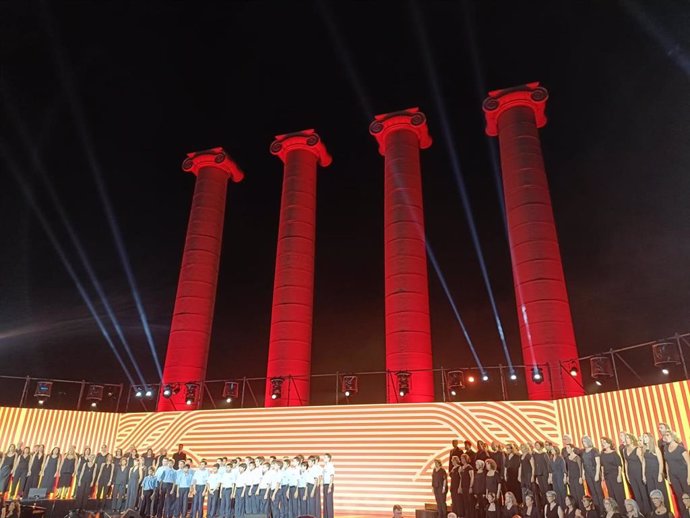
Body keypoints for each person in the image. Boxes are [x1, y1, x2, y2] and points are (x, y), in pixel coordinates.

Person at [621, 434, 650, 515]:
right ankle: (640, 512)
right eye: (625, 438)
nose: (626, 440)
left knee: (643, 492)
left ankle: (647, 512)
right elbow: (626, 463)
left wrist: (643, 474)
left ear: (632, 439)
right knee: (636, 494)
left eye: (628, 438)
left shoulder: (637, 449)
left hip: (639, 472)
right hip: (631, 474)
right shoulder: (624, 450)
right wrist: (627, 475)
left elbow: (642, 462)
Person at [662, 430, 690, 513]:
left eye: (668, 435)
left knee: (688, 494)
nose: (666, 437)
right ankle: (684, 514)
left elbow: (689, 463)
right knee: (679, 495)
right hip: (673, 476)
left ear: (673, 436)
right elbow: (666, 463)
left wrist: (689, 477)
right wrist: (669, 477)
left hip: (683, 474)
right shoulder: (665, 448)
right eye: (665, 435)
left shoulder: (681, 448)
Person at [642, 433, 670, 512]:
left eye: (645, 437)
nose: (644, 438)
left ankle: (666, 511)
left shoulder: (655, 448)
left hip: (656, 473)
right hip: (648, 474)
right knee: (651, 493)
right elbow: (644, 462)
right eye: (643, 437)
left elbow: (661, 462)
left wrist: (660, 474)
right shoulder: (643, 449)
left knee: (661, 493)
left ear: (650, 438)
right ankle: (656, 512)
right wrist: (643, 475)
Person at [601, 438, 626, 511]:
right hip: (607, 476)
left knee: (619, 494)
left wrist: (619, 475)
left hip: (615, 475)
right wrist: (602, 476)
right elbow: (602, 466)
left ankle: (623, 512)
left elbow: (619, 465)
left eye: (605, 443)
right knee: (611, 495)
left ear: (609, 444)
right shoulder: (602, 454)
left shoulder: (614, 453)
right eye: (602, 443)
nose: (603, 444)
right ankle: (615, 511)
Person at [581, 436, 604, 513]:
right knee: (592, 492)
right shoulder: (583, 452)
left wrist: (597, 474)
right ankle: (597, 510)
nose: (584, 443)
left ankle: (603, 510)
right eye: (583, 442)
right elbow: (583, 464)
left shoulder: (594, 450)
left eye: (585, 441)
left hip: (594, 472)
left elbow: (598, 463)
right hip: (587, 473)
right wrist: (583, 474)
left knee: (598, 491)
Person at [533, 441, 551, 510]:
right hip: (539, 475)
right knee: (542, 491)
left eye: (537, 445)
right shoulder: (535, 455)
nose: (536, 446)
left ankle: (549, 504)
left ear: (541, 446)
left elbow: (548, 465)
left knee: (547, 490)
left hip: (545, 475)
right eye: (535, 445)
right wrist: (536, 476)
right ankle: (545, 506)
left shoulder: (544, 454)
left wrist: (549, 475)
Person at [548, 444, 567, 509]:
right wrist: (550, 478)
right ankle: (559, 507)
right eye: (551, 450)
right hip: (554, 476)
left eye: (553, 449)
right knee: (556, 492)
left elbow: (563, 468)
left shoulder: (560, 458)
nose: (552, 450)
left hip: (560, 475)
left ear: (556, 450)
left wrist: (564, 477)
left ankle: (565, 507)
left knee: (562, 491)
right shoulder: (551, 459)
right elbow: (550, 470)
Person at [322, 453, 335, 518]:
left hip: (329, 485)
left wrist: (330, 487)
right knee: (325, 503)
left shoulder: (330, 466)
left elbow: (332, 476)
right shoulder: (325, 466)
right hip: (325, 485)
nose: (323, 458)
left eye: (325, 457)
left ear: (329, 458)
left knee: (329, 503)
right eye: (324, 457)